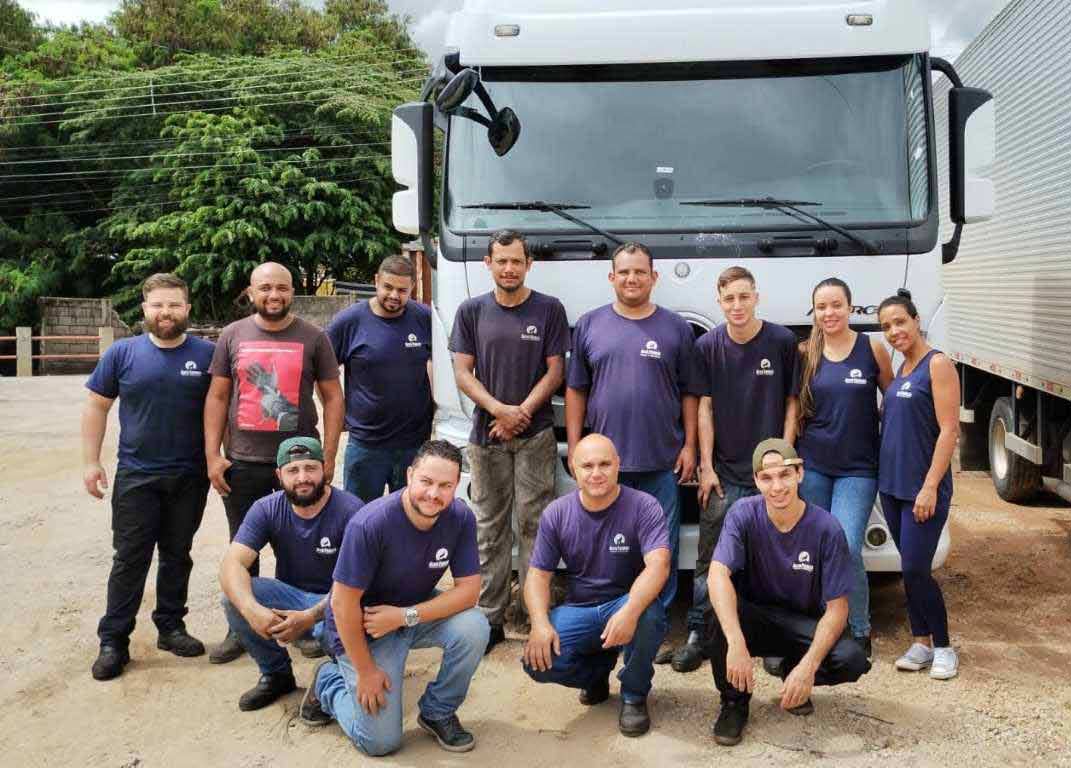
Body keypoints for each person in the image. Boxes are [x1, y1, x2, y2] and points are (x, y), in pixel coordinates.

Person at [308, 440, 489, 755]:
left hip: (407, 615)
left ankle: (438, 711)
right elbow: (342, 603)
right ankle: (329, 682)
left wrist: (406, 616)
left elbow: (469, 592)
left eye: (445, 485)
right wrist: (365, 671)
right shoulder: (370, 524)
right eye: (426, 482)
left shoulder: (460, 518)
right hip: (367, 627)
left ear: (456, 485)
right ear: (409, 476)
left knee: (475, 626)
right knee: (379, 742)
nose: (434, 494)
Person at [204, 261, 344, 664]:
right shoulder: (232, 335)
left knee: (299, 545)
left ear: (291, 291)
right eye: (265, 288)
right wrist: (213, 455)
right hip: (244, 462)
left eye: (282, 288)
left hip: (300, 463)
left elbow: (333, 397)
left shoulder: (314, 337)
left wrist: (329, 456)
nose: (274, 296)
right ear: (251, 292)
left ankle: (300, 623)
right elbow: (217, 397)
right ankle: (241, 626)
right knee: (244, 546)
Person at [82, 273, 216, 680]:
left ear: (187, 309)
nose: (166, 312)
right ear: (144, 309)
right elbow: (96, 407)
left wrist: (218, 459)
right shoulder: (122, 354)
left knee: (178, 555)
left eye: (174, 304)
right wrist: (91, 461)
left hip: (190, 475)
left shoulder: (208, 355)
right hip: (137, 476)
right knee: (130, 559)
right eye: (158, 305)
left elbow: (222, 407)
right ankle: (114, 640)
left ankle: (171, 627)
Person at [672, 266, 801, 673]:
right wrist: (706, 468)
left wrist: (784, 460)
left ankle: (775, 640)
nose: (737, 305)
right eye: (729, 299)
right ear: (719, 301)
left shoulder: (781, 341)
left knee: (775, 560)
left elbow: (792, 404)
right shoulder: (708, 346)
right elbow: (704, 407)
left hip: (771, 478)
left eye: (744, 297)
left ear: (756, 297)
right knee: (711, 561)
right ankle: (699, 633)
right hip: (725, 476)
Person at [704, 439, 871, 746]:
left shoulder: (826, 528)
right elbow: (717, 574)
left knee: (852, 659)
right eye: (766, 478)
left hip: (801, 622)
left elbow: (837, 609)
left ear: (800, 474)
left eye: (784, 475)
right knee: (716, 612)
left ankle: (791, 670)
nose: (777, 486)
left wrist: (808, 669)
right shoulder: (743, 514)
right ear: (756, 480)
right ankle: (733, 702)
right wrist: (736, 642)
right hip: (755, 616)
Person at [449, 230, 569, 653]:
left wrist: (520, 415)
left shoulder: (550, 310)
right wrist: (501, 411)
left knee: (537, 523)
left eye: (516, 261)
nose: (509, 268)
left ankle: (535, 611)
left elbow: (555, 372)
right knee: (489, 527)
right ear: (488, 264)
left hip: (535, 436)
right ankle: (491, 616)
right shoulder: (471, 312)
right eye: (501, 261)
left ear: (528, 265)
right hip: (486, 438)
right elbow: (463, 373)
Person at [566, 242, 698, 615]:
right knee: (608, 549)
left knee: (660, 549)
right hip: (604, 469)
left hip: (662, 462)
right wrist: (576, 448)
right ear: (611, 277)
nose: (632, 278)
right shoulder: (590, 324)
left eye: (640, 271)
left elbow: (691, 392)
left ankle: (652, 625)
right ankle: (608, 621)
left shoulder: (676, 328)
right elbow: (576, 389)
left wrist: (690, 445)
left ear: (654, 277)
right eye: (624, 271)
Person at [522, 434, 670, 737]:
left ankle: (634, 695)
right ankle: (596, 675)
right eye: (587, 465)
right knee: (537, 662)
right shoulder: (557, 513)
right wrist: (539, 623)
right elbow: (538, 575)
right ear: (573, 469)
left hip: (626, 601)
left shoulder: (644, 505)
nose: (596, 473)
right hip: (581, 608)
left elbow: (659, 565)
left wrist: (629, 611)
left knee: (649, 615)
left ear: (618, 465)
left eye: (605, 464)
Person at [219, 437, 364, 711]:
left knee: (334, 626)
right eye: (293, 470)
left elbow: (362, 583)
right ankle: (277, 675)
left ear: (325, 469)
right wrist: (251, 609)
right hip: (293, 597)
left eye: (310, 468)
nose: (303, 478)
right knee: (233, 599)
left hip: (339, 601)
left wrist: (311, 616)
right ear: (279, 475)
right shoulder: (267, 508)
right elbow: (231, 564)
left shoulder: (352, 511)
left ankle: (334, 679)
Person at [795, 278, 893, 661]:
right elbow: (796, 409)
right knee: (818, 546)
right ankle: (824, 625)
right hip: (815, 464)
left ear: (851, 308)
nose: (829, 313)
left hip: (858, 467)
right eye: (821, 307)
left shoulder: (873, 348)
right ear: (814, 312)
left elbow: (894, 400)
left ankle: (859, 628)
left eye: (836, 305)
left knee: (848, 543)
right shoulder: (805, 352)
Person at [877, 290, 961, 680]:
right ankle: (920, 641)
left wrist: (930, 486)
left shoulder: (937, 364)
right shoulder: (903, 371)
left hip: (922, 488)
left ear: (915, 320)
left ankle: (943, 646)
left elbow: (948, 431)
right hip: (892, 487)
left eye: (899, 322)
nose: (894, 331)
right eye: (886, 327)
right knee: (907, 567)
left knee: (915, 568)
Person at [326, 255, 433, 503]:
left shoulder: (424, 319)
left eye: (402, 290)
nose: (394, 295)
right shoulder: (349, 321)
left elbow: (443, 364)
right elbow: (324, 373)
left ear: (412, 288)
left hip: (414, 444)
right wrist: (337, 410)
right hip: (366, 445)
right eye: (388, 287)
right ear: (376, 281)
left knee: (409, 516)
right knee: (359, 517)